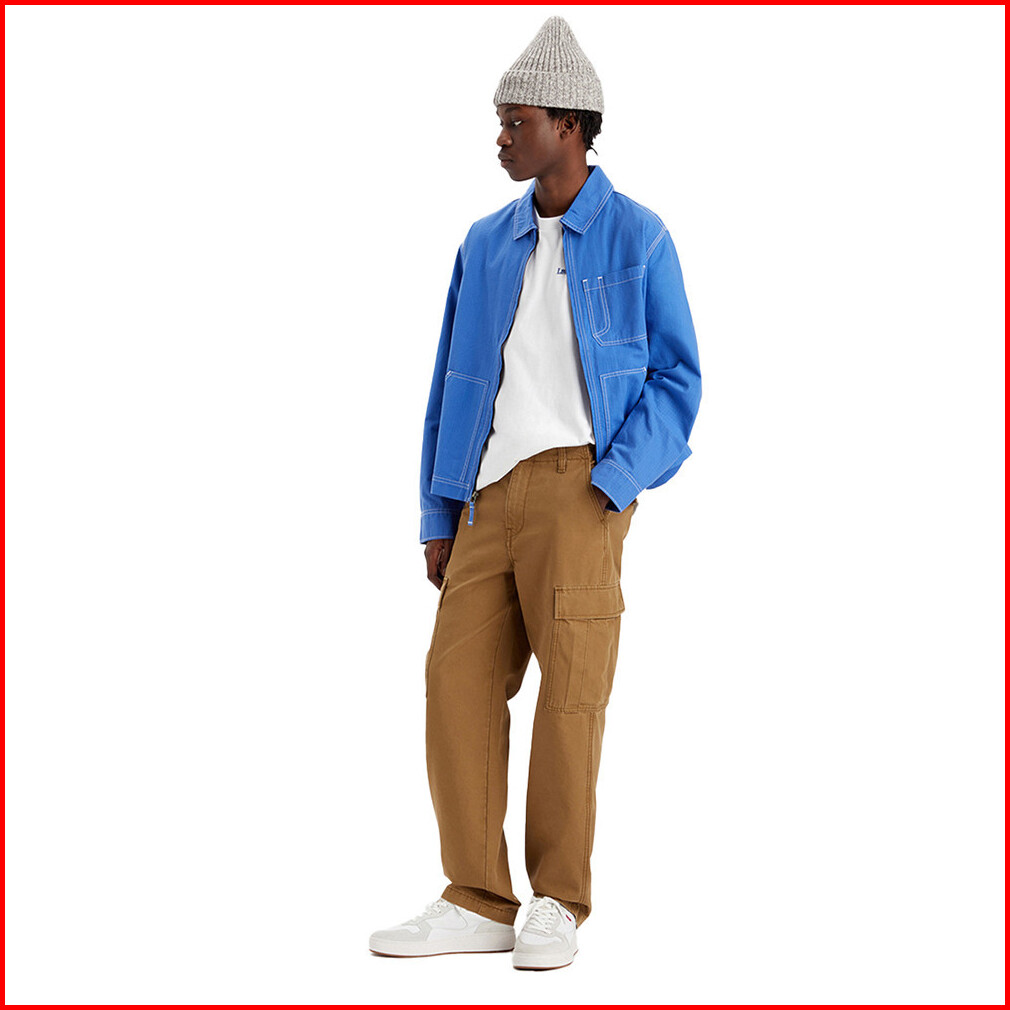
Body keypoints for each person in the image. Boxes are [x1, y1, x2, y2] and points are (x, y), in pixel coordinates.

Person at [369, 15, 701, 970]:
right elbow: (449, 384)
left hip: (578, 489)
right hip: (485, 497)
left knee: (572, 695)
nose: (501, 136)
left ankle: (556, 899)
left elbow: (679, 380)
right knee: (455, 686)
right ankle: (477, 896)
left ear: (569, 124)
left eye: (515, 120)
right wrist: (438, 510)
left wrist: (614, 482)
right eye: (500, 120)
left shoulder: (638, 235)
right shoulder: (485, 243)